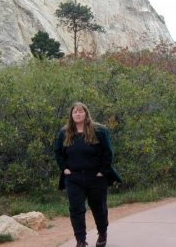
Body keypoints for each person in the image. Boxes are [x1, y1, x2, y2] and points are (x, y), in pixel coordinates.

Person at [54, 102, 122, 247]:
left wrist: (102, 171)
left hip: (95, 178)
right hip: (73, 178)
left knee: (99, 207)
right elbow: (58, 152)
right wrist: (64, 168)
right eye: (75, 112)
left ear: (86, 113)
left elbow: (107, 153)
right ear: (71, 115)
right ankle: (80, 240)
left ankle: (102, 233)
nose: (77, 114)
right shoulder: (65, 132)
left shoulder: (99, 131)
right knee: (76, 209)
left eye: (80, 111)